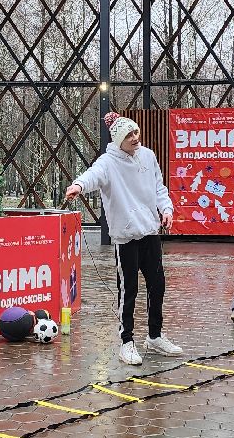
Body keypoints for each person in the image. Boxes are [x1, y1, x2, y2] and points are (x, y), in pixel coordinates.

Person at [64, 113, 183, 366]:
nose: (135, 138)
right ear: (118, 140)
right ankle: (126, 341)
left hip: (150, 231)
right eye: (129, 135)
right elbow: (93, 175)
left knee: (157, 285)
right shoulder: (108, 162)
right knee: (128, 290)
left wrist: (167, 210)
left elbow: (159, 188)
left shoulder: (148, 156)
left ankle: (155, 336)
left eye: (136, 132)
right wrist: (78, 186)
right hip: (126, 236)